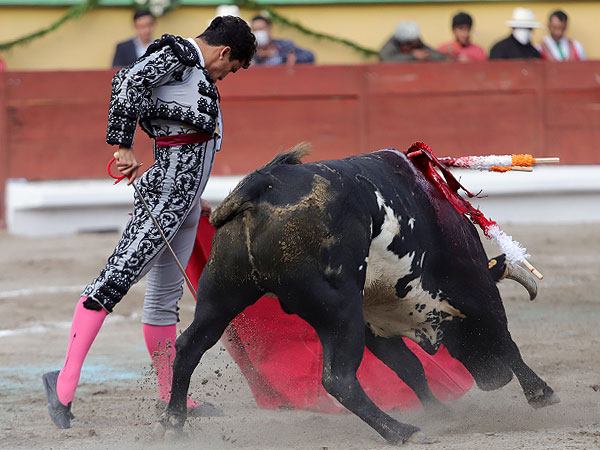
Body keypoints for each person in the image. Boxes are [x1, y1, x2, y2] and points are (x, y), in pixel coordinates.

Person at [42, 15, 256, 429]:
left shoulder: (193, 71)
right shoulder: (177, 55)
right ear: (225, 52)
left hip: (184, 204)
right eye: (231, 68)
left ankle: (170, 394)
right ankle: (63, 382)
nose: (226, 76)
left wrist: (195, 195)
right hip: (162, 200)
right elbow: (126, 82)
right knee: (115, 280)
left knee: (163, 301)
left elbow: (188, 143)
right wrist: (121, 145)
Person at [251, 15, 315, 66]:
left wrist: (286, 59)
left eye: (261, 29)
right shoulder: (250, 51)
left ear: (270, 29)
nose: (258, 33)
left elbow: (309, 56)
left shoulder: (285, 45)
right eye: (255, 30)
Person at [379, 21, 445, 63]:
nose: (414, 45)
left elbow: (439, 56)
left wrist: (426, 55)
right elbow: (386, 60)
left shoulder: (417, 43)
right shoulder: (391, 45)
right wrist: (412, 56)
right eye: (410, 44)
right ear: (402, 43)